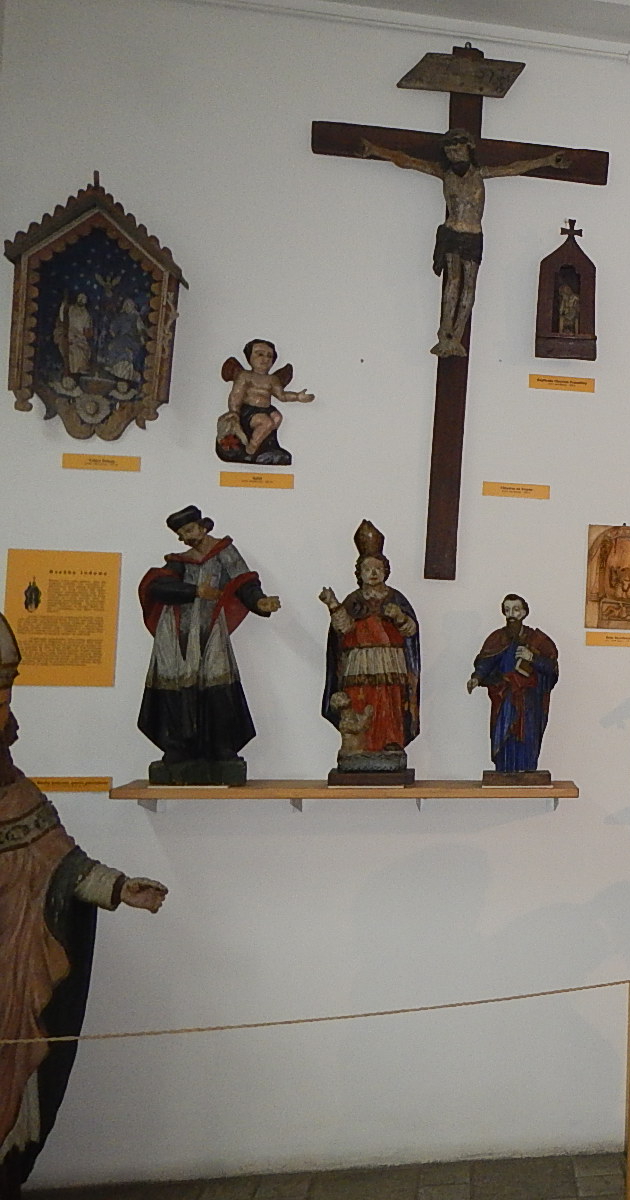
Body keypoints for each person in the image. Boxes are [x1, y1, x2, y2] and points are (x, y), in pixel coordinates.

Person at [0, 612, 167, 1199]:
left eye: (4, 700)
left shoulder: (17, 795)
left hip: (10, 986)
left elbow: (62, 864)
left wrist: (119, 889)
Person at [359, 129, 573, 356]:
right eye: (449, 151)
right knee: (452, 281)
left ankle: (457, 335)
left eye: (458, 149)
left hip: (472, 234)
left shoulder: (480, 173)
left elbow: (514, 168)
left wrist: (546, 161)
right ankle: (444, 334)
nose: (454, 154)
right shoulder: (445, 173)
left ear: (469, 149)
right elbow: (407, 161)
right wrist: (375, 150)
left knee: (469, 285)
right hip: (452, 232)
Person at [136, 505, 281, 784]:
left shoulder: (225, 552)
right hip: (177, 633)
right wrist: (196, 591)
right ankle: (178, 748)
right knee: (176, 687)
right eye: (182, 534)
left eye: (189, 530)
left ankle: (222, 747)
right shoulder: (180, 561)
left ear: (203, 526)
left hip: (210, 629)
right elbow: (156, 587)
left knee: (218, 685)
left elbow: (244, 583)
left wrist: (260, 602)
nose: (186, 538)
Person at [318, 521, 421, 775]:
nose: (373, 573)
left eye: (378, 568)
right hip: (359, 660)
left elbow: (411, 631)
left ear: (386, 571)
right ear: (359, 573)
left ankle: (391, 741)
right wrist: (333, 604)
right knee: (360, 696)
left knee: (389, 698)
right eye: (367, 568)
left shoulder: (396, 598)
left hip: (390, 659)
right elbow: (343, 629)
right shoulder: (353, 600)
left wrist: (399, 617)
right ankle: (359, 744)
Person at [467, 594, 558, 777]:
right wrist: (477, 677)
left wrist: (532, 658)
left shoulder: (537, 640)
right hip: (504, 697)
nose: (511, 614)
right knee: (503, 736)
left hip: (529, 701)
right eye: (507, 610)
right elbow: (486, 661)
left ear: (524, 613)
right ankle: (504, 770)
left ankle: (527, 770)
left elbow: (552, 669)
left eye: (516, 610)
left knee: (527, 736)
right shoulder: (497, 638)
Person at [216, 339, 315, 466]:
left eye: (269, 356)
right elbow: (236, 395)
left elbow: (282, 396)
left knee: (277, 417)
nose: (265, 359)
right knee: (266, 422)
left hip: (266, 408)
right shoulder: (245, 376)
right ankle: (251, 449)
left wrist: (298, 397)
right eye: (260, 354)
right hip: (249, 410)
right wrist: (234, 411)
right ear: (249, 357)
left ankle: (265, 444)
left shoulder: (272, 379)